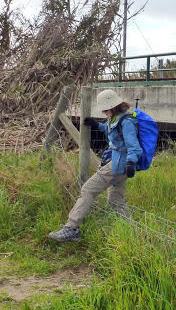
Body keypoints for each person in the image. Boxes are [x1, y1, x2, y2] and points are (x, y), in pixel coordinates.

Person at [48, 89, 142, 242]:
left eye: (106, 109)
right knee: (115, 201)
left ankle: (71, 228)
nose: (104, 112)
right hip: (119, 163)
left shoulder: (127, 121)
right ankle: (131, 234)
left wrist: (131, 162)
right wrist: (97, 125)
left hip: (119, 164)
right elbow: (111, 131)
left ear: (113, 106)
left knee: (88, 189)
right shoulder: (116, 118)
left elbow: (134, 146)